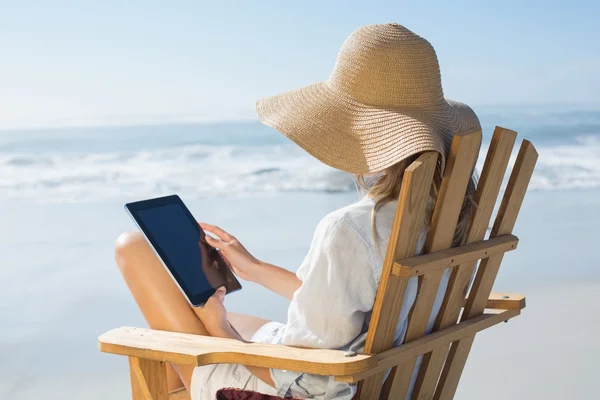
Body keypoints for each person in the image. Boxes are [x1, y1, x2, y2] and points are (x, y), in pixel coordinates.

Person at [115, 23, 480, 400]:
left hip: (313, 390)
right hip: (391, 382)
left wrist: (223, 334)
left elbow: (307, 382)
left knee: (133, 250)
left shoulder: (351, 229)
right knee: (216, 321)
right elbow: (349, 305)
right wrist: (254, 269)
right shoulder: (448, 218)